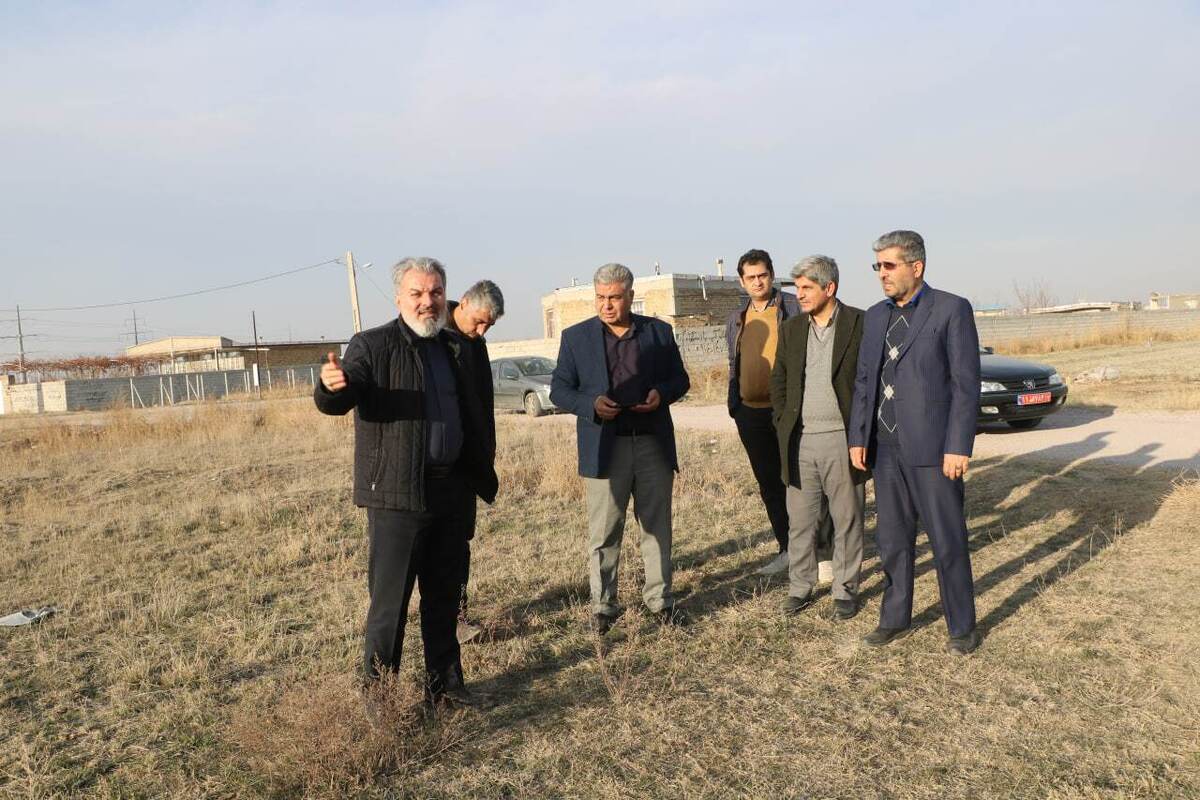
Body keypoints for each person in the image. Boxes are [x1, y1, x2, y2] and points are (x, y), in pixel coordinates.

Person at [314, 256, 499, 709]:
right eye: (416, 294)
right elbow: (343, 395)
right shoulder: (372, 346)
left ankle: (446, 688)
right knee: (389, 607)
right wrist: (331, 388)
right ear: (399, 298)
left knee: (442, 597)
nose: (427, 302)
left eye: (435, 292)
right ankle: (379, 699)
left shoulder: (455, 347)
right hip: (398, 497)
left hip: (450, 492)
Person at [848, 230, 983, 655]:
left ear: (916, 266)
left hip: (933, 450)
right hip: (886, 451)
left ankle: (961, 626)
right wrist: (858, 436)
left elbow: (966, 384)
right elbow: (865, 380)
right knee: (892, 540)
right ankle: (894, 618)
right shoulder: (874, 316)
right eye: (878, 266)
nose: (881, 275)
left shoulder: (950, 310)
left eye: (889, 265)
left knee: (947, 541)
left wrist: (958, 445)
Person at [550, 263, 691, 634]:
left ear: (630, 295)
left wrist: (662, 393)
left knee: (657, 526)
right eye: (600, 297)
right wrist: (590, 404)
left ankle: (661, 602)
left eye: (614, 297)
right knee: (604, 531)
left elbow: (680, 379)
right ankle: (603, 606)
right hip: (604, 447)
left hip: (651, 444)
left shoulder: (658, 332)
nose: (607, 304)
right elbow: (559, 389)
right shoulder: (576, 338)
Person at [769, 256, 868, 619]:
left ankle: (845, 589)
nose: (800, 295)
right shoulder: (792, 329)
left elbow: (868, 381)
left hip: (844, 439)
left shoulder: (860, 323)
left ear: (830, 288)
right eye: (796, 288)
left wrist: (861, 433)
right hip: (800, 440)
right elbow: (777, 378)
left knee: (848, 518)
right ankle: (800, 586)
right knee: (801, 520)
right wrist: (782, 419)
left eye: (807, 288)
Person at [724, 249, 801, 576]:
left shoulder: (794, 307)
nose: (757, 282)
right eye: (750, 278)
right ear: (742, 282)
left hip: (787, 412)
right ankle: (787, 549)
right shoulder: (736, 317)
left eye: (762, 275)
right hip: (750, 414)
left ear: (772, 275)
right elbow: (734, 363)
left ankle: (818, 550)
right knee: (770, 483)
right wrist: (735, 405)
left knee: (800, 480)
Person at [445, 280, 505, 645]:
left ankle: (457, 616)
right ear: (463, 303)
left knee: (460, 541)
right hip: (436, 463)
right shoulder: (433, 336)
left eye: (489, 326)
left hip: (467, 465)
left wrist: (486, 452)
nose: (481, 331)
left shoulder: (476, 344)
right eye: (479, 321)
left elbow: (483, 405)